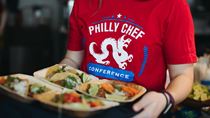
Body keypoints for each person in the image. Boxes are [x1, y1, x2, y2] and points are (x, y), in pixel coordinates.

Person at [61, 0, 197, 117]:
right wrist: (52, 79)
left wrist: (165, 99)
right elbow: (72, 60)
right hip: (86, 105)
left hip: (139, 108)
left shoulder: (173, 5)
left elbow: (183, 75)